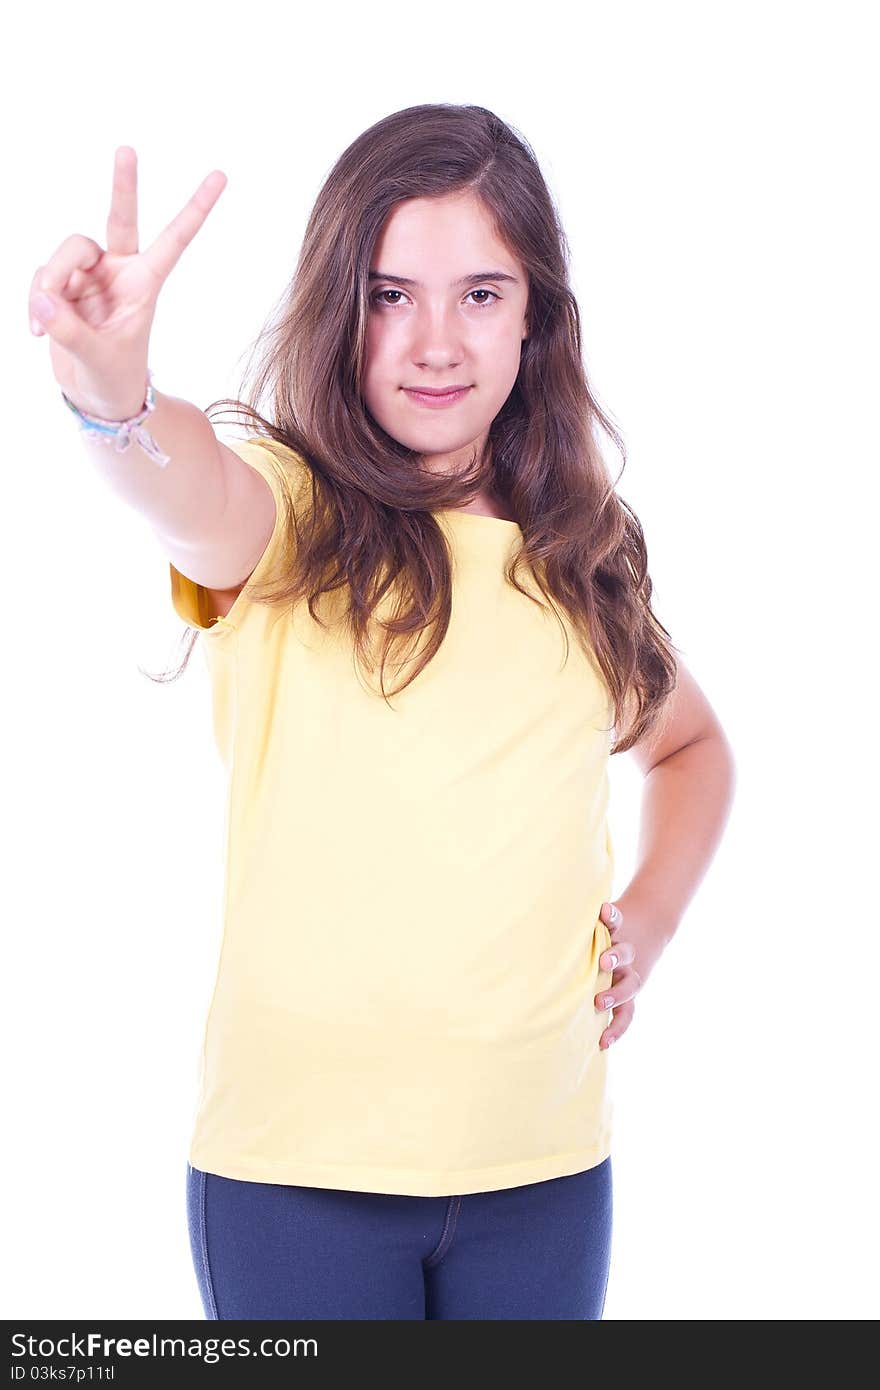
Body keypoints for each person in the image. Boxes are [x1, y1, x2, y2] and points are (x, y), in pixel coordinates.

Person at [29, 105, 736, 1321]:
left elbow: (688, 744)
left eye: (478, 294)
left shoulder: (576, 554)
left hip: (546, 1171)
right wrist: (112, 393)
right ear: (338, 308)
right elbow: (187, 483)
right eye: (390, 292)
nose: (433, 340)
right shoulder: (289, 515)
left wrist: (651, 919)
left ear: (534, 318)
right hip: (298, 1178)